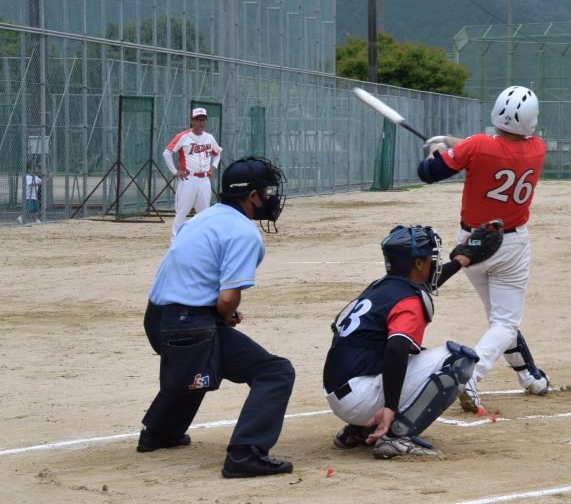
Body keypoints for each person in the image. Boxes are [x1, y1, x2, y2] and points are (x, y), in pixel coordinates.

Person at [139, 157, 295, 478]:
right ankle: (245, 453)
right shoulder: (243, 232)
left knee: (209, 353)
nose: (268, 198)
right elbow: (227, 299)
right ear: (251, 196)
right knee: (276, 372)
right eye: (264, 191)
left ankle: (161, 432)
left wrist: (217, 315)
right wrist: (222, 314)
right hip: (185, 326)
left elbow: (197, 281)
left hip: (158, 319)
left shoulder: (205, 216)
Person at [416, 85, 550, 414]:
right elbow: (493, 150)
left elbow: (428, 174)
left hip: (471, 247)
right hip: (511, 243)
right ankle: (470, 375)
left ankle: (530, 377)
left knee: (500, 321)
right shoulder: (538, 148)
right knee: (504, 322)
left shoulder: (477, 146)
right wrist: (450, 143)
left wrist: (435, 152)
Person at [323, 223, 501, 459]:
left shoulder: (381, 288)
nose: (434, 264)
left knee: (413, 353)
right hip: (360, 398)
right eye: (430, 259)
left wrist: (461, 261)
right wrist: (390, 408)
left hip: (339, 392)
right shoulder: (408, 301)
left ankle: (359, 430)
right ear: (418, 263)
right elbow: (395, 351)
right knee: (458, 360)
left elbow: (425, 284)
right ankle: (395, 437)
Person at [163, 107, 222, 238]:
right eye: (198, 119)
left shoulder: (209, 138)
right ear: (192, 120)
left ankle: (202, 239)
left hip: (204, 180)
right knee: (182, 211)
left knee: (204, 212)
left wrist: (214, 166)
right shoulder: (183, 137)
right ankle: (176, 239)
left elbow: (217, 153)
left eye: (203, 119)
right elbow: (167, 153)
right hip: (188, 179)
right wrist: (174, 171)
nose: (201, 122)